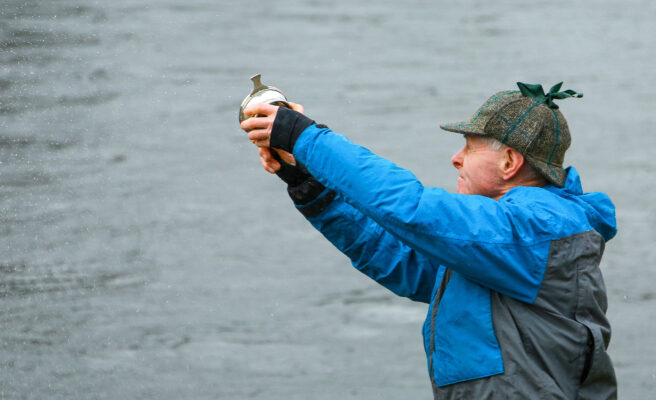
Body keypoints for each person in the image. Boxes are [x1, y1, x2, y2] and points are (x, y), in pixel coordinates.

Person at [240, 82, 617, 399]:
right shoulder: (503, 239)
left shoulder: (538, 226)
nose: (456, 158)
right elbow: (402, 261)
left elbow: (410, 208)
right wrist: (309, 182)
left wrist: (305, 137)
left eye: (469, 147)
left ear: (509, 163)